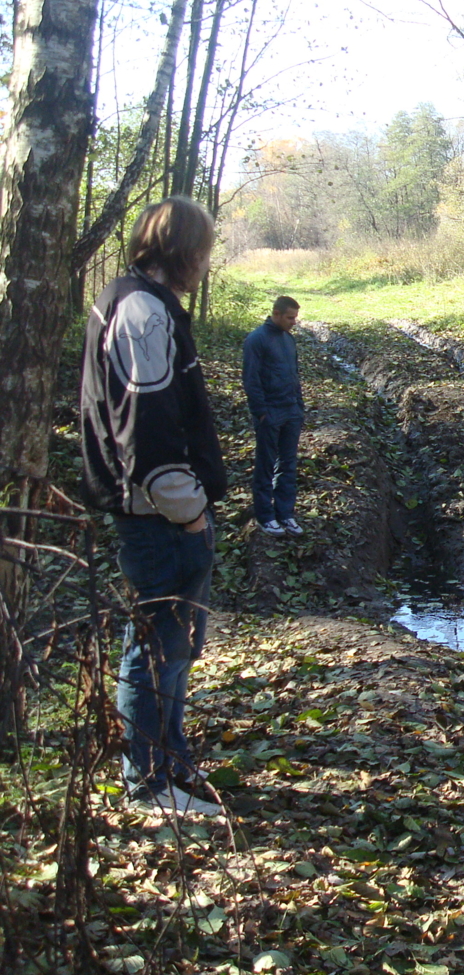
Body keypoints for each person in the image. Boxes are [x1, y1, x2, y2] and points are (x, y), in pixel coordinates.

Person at [80, 197, 227, 815]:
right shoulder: (142, 312)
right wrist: (187, 508)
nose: (205, 263)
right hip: (157, 515)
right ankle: (149, 784)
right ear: (183, 251)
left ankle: (172, 763)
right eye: (203, 251)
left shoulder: (139, 301)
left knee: (173, 645)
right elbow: (147, 424)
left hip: (160, 511)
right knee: (157, 646)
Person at [242, 296, 305, 536]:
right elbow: (251, 379)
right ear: (276, 314)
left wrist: (299, 406)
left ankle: (285, 513)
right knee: (266, 466)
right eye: (290, 318)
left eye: (295, 318)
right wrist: (261, 413)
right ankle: (265, 516)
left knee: (288, 465)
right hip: (270, 413)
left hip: (291, 412)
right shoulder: (256, 340)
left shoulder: (288, 340)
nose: (294, 322)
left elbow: (294, 375)